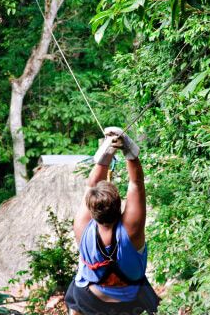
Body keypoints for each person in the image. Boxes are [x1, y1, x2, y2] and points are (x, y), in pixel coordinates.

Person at [65, 127, 160, 315]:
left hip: (90, 300)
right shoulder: (131, 230)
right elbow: (136, 184)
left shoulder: (81, 227)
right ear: (120, 207)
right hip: (129, 303)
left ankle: (75, 311)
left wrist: (108, 150)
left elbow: (91, 184)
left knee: (76, 289)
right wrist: (128, 151)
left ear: (91, 209)